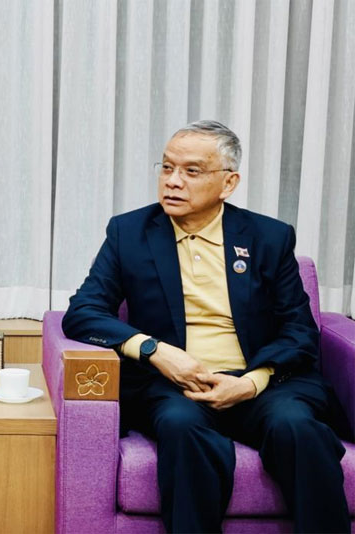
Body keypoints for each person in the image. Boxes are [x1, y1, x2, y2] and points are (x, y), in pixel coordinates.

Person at [63, 120, 351, 533]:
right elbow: (84, 312)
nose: (173, 182)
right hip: (175, 383)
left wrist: (252, 381)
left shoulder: (268, 237)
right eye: (166, 168)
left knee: (298, 429)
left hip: (262, 382)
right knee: (181, 427)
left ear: (228, 183)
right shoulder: (129, 232)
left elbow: (299, 330)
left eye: (191, 171)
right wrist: (155, 351)